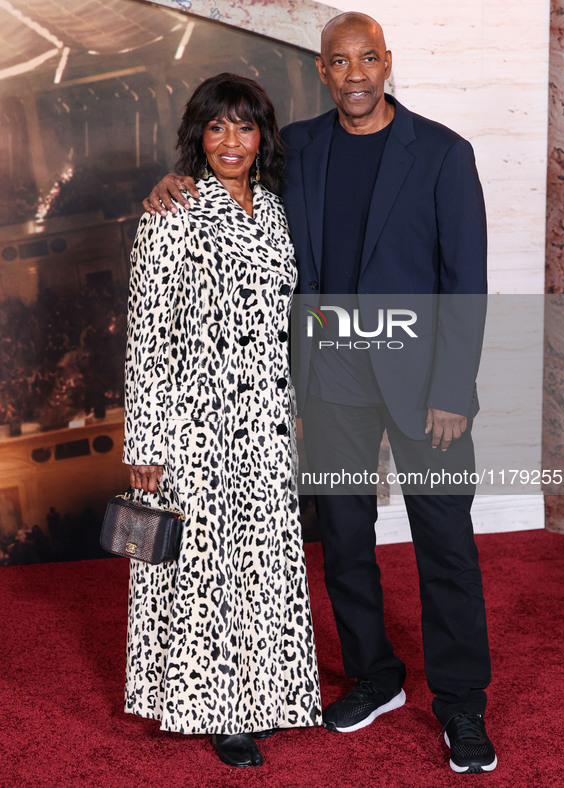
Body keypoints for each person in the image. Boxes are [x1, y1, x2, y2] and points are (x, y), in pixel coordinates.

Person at [143, 13, 497, 775]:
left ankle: (461, 703)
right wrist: (172, 185)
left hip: (423, 388)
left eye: (369, 58)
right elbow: (226, 181)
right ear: (323, 73)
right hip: (330, 385)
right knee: (342, 544)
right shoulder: (296, 148)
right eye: (340, 62)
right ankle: (376, 674)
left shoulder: (441, 152)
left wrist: (451, 391)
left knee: (445, 546)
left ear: (386, 63)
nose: (357, 73)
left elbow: (464, 284)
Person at [124, 72, 322, 768]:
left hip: (265, 416)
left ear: (261, 135)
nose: (230, 141)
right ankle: (214, 706)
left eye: (243, 126)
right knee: (205, 567)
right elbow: (147, 335)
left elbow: (280, 324)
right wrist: (144, 441)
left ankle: (265, 692)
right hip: (193, 422)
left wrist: (290, 409)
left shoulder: (272, 210)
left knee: (264, 559)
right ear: (197, 137)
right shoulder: (171, 212)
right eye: (216, 127)